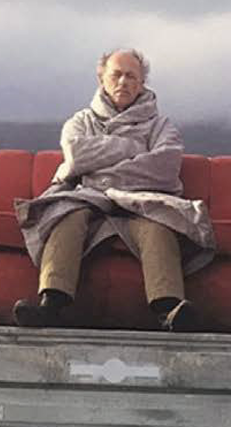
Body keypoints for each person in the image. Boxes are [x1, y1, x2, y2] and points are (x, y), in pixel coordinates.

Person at [13, 48, 215, 331]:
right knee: (66, 214)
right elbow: (77, 154)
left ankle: (169, 312)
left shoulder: (161, 126)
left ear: (142, 83)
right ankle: (51, 306)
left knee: (159, 223)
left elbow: (164, 167)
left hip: (141, 201)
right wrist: (133, 149)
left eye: (131, 76)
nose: (123, 82)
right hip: (87, 200)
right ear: (102, 80)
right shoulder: (80, 122)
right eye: (116, 75)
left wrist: (100, 171)